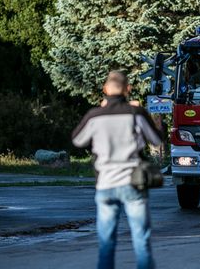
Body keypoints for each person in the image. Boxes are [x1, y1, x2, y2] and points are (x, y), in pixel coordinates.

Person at [72, 71, 162, 269]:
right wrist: (147, 114)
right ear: (128, 89)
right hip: (133, 183)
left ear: (105, 90)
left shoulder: (94, 116)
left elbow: (78, 140)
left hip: (105, 183)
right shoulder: (136, 114)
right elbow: (156, 140)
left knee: (106, 243)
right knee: (141, 240)